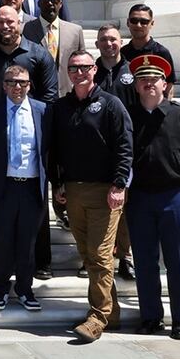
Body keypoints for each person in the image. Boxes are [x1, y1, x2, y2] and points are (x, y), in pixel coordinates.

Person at [50, 50, 134, 343]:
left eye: (84, 67)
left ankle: (97, 317)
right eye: (73, 68)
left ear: (94, 70)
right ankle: (110, 313)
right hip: (73, 189)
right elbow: (55, 150)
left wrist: (119, 184)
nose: (79, 72)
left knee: (100, 255)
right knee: (88, 254)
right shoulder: (61, 107)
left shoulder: (111, 104)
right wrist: (57, 182)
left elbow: (125, 145)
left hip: (105, 191)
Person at [126, 54, 180, 341]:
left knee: (178, 260)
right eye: (143, 80)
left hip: (172, 195)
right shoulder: (129, 117)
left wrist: (178, 170)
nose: (149, 84)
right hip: (139, 198)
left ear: (165, 83)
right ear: (136, 86)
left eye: (154, 79)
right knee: (145, 260)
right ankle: (151, 317)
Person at [0, 65, 49, 313]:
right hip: (3, 187)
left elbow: (49, 150)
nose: (18, 87)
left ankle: (25, 290)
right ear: (4, 85)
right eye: (13, 82)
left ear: (30, 85)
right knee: (3, 241)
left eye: (23, 83)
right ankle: (0, 289)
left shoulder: (42, 111)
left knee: (27, 242)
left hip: (31, 186)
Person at [23, 0, 86, 95]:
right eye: (46, 0)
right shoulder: (25, 29)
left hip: (68, 93)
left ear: (61, 4)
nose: (50, 3)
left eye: (54, 0)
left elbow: (83, 63)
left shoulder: (75, 31)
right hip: (36, 94)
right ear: (38, 3)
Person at [122, 4, 176, 98]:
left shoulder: (161, 53)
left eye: (144, 21)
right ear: (127, 22)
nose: (138, 25)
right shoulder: (122, 53)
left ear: (152, 23)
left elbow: (169, 86)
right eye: (134, 21)